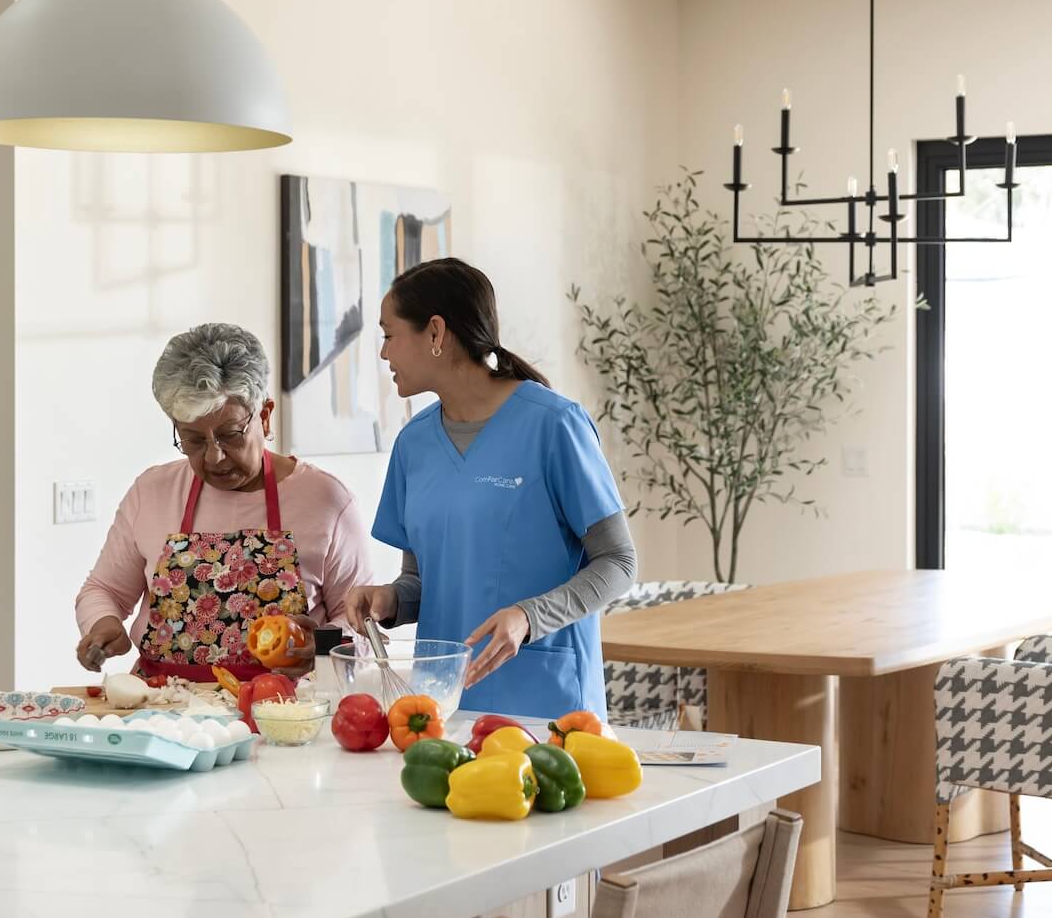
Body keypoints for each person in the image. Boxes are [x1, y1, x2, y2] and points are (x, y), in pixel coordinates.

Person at [346, 258, 637, 717]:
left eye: (388, 335)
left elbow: (619, 562)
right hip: (442, 704)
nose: (384, 355)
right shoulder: (414, 443)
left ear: (436, 333)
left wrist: (528, 617)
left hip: (546, 703)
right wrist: (388, 600)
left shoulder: (555, 426)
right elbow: (423, 580)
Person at [75, 323, 372, 681]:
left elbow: (360, 623)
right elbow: (103, 590)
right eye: (193, 440)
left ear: (264, 415)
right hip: (163, 710)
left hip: (281, 715)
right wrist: (103, 624)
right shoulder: (152, 491)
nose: (214, 457)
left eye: (230, 435)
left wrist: (320, 646)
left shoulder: (327, 501)